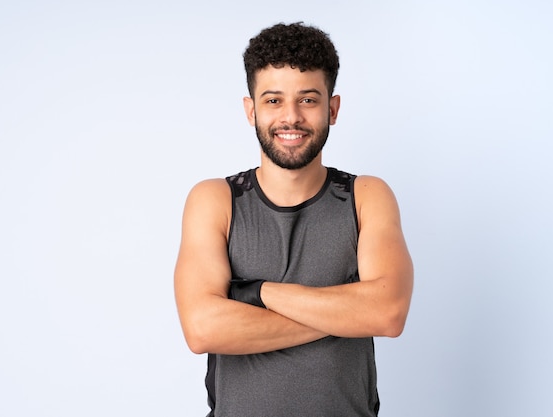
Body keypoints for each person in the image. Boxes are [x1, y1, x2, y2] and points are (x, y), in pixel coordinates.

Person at [174, 22, 414, 416]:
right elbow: (202, 329)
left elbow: (387, 313)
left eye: (307, 100)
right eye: (273, 100)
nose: (291, 117)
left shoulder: (366, 196)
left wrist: (256, 294)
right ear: (251, 110)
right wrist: (347, 312)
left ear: (331, 109)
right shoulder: (215, 199)